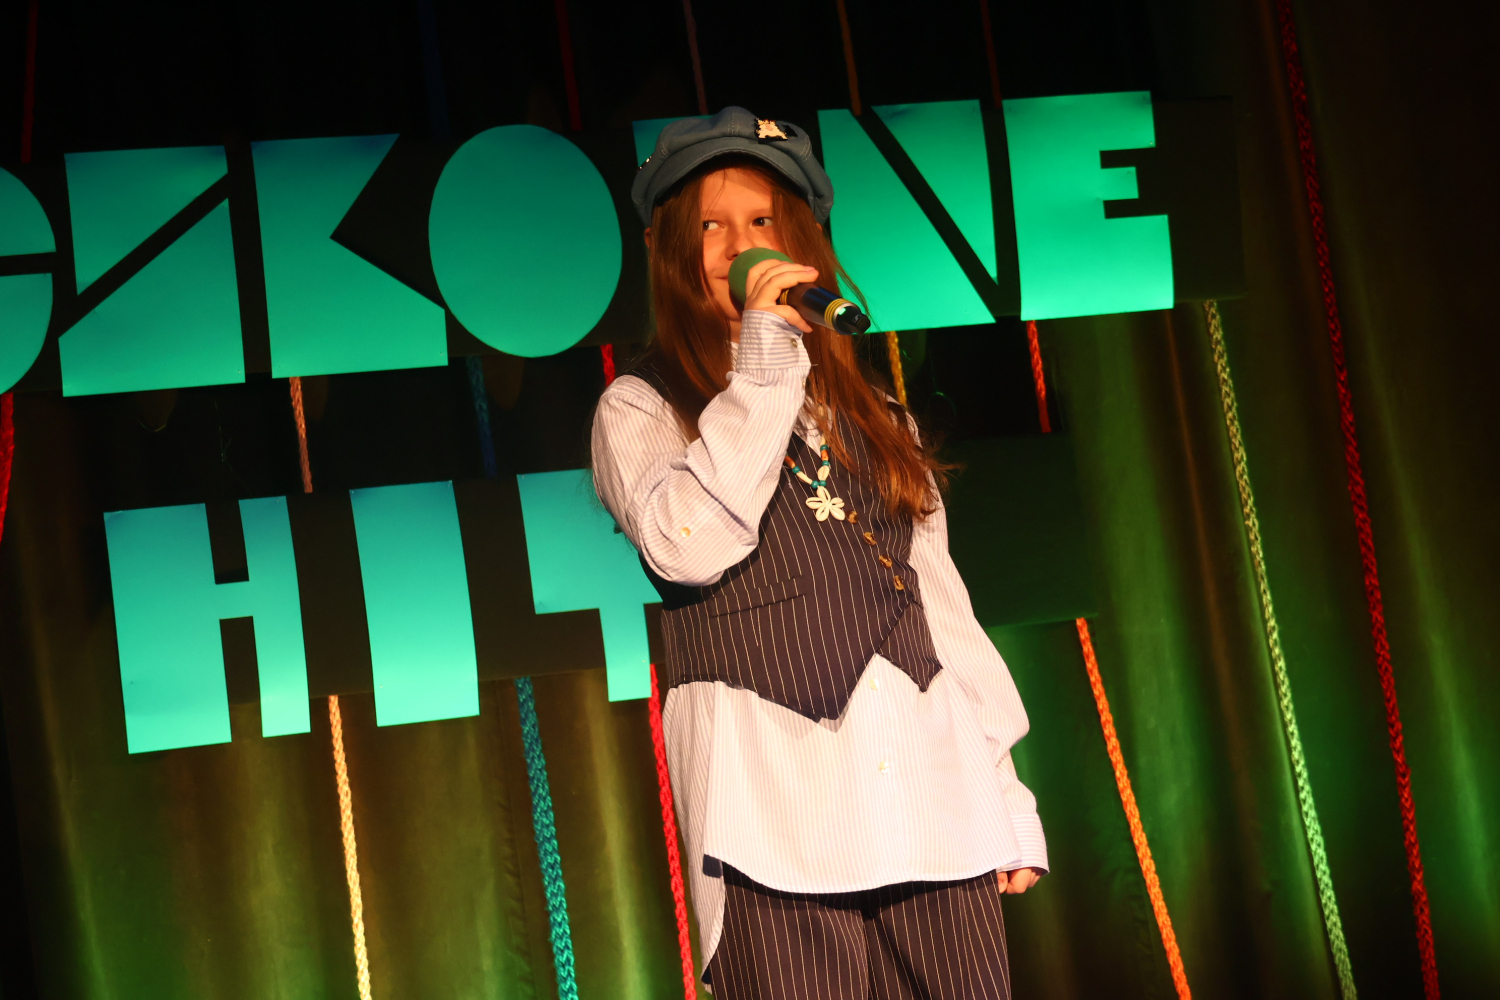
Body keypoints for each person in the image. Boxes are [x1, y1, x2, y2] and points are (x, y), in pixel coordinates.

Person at [591, 106, 1046, 999]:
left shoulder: (879, 419)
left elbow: (943, 614)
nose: (739, 247)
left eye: (762, 221)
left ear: (801, 243)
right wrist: (762, 361)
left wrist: (1007, 797)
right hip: (772, 832)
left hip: (938, 814)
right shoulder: (641, 408)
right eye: (711, 227)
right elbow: (684, 546)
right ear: (666, 248)